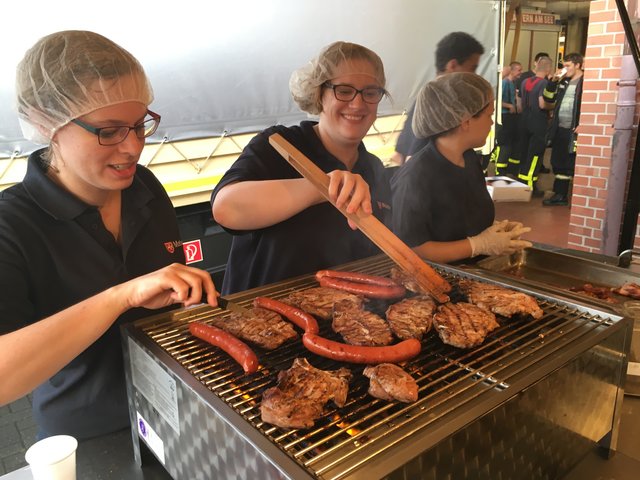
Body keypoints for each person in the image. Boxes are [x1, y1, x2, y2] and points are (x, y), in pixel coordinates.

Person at [0, 31, 218, 437]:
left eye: (139, 125)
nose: (133, 147)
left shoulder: (145, 188)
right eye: (109, 130)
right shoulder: (12, 225)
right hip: (89, 434)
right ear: (48, 124)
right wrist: (123, 296)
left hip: (178, 409)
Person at [211, 41, 392, 294]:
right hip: (260, 320)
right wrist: (323, 187)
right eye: (344, 90)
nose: (358, 104)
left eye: (370, 92)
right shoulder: (280, 145)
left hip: (344, 323)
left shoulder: (373, 169)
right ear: (320, 94)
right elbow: (225, 209)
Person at [391, 73, 532, 264]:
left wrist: (497, 232)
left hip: (475, 272)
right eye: (489, 115)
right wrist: (479, 245)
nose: (492, 123)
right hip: (438, 284)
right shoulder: (416, 176)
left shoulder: (469, 159)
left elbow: (464, 220)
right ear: (465, 120)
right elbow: (413, 248)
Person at [391, 32, 485, 165]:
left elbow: (399, 153)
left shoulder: (428, 98)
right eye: (472, 68)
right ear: (452, 65)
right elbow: (411, 160)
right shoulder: (439, 104)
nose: (474, 75)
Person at [542, 53, 584, 206]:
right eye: (564, 66)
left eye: (568, 66)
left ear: (578, 65)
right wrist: (552, 82)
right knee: (558, 161)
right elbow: (548, 99)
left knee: (569, 162)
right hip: (559, 128)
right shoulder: (563, 81)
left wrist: (584, 123)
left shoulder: (585, 82)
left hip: (574, 130)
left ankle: (568, 196)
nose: (565, 69)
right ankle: (559, 194)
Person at [516, 55, 554, 194]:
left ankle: (521, 182)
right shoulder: (543, 84)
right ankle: (531, 186)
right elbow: (542, 104)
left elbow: (519, 105)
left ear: (536, 66)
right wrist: (553, 106)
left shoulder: (524, 81)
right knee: (535, 154)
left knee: (525, 152)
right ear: (549, 68)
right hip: (538, 122)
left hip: (523, 120)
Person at [495, 61, 523, 176]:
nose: (520, 73)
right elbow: (497, 100)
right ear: (511, 70)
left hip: (511, 117)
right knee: (505, 144)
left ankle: (511, 170)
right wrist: (510, 106)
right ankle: (500, 171)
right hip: (504, 117)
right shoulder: (505, 83)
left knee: (513, 143)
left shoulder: (513, 83)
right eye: (519, 70)